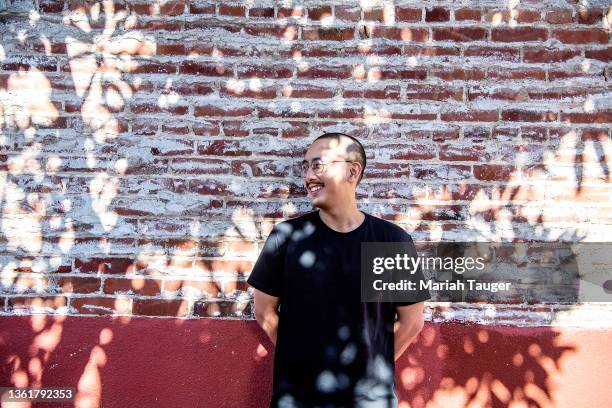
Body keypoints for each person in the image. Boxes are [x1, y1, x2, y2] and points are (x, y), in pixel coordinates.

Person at [247, 133, 430, 408]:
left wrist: (368, 367)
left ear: (352, 171)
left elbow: (411, 322)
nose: (308, 176)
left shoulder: (389, 241)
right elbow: (264, 311)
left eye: (318, 165)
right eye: (305, 167)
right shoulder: (286, 237)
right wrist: (300, 359)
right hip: (298, 399)